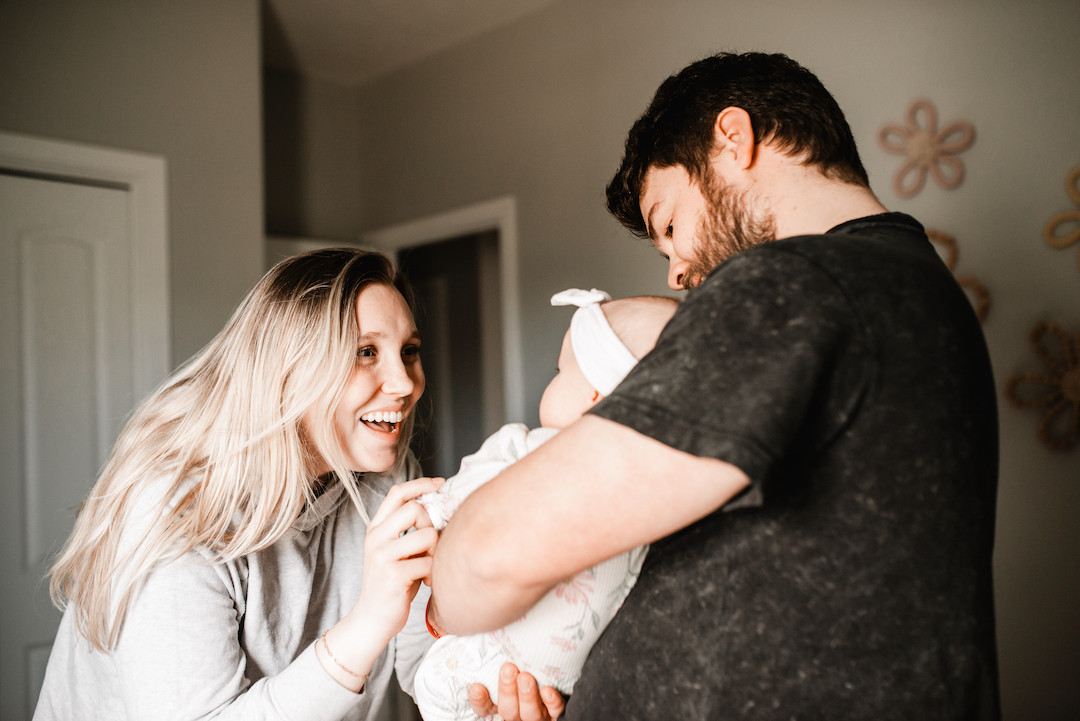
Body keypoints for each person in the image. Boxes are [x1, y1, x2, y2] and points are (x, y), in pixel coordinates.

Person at [428, 51, 1001, 720]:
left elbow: (487, 554)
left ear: (734, 137)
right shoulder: (910, 285)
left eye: (669, 224)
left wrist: (439, 615)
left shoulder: (798, 281)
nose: (675, 273)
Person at [34, 248, 443, 720]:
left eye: (408, 351)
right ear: (289, 367)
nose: (405, 383)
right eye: (365, 352)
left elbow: (419, 648)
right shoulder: (177, 511)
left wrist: (484, 683)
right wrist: (367, 624)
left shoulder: (389, 479)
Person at [412, 289, 679, 721]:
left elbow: (475, 485)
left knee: (435, 684)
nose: (550, 380)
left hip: (501, 643)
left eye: (559, 372)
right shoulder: (656, 487)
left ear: (595, 393)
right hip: (562, 674)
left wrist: (433, 509)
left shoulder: (536, 448)